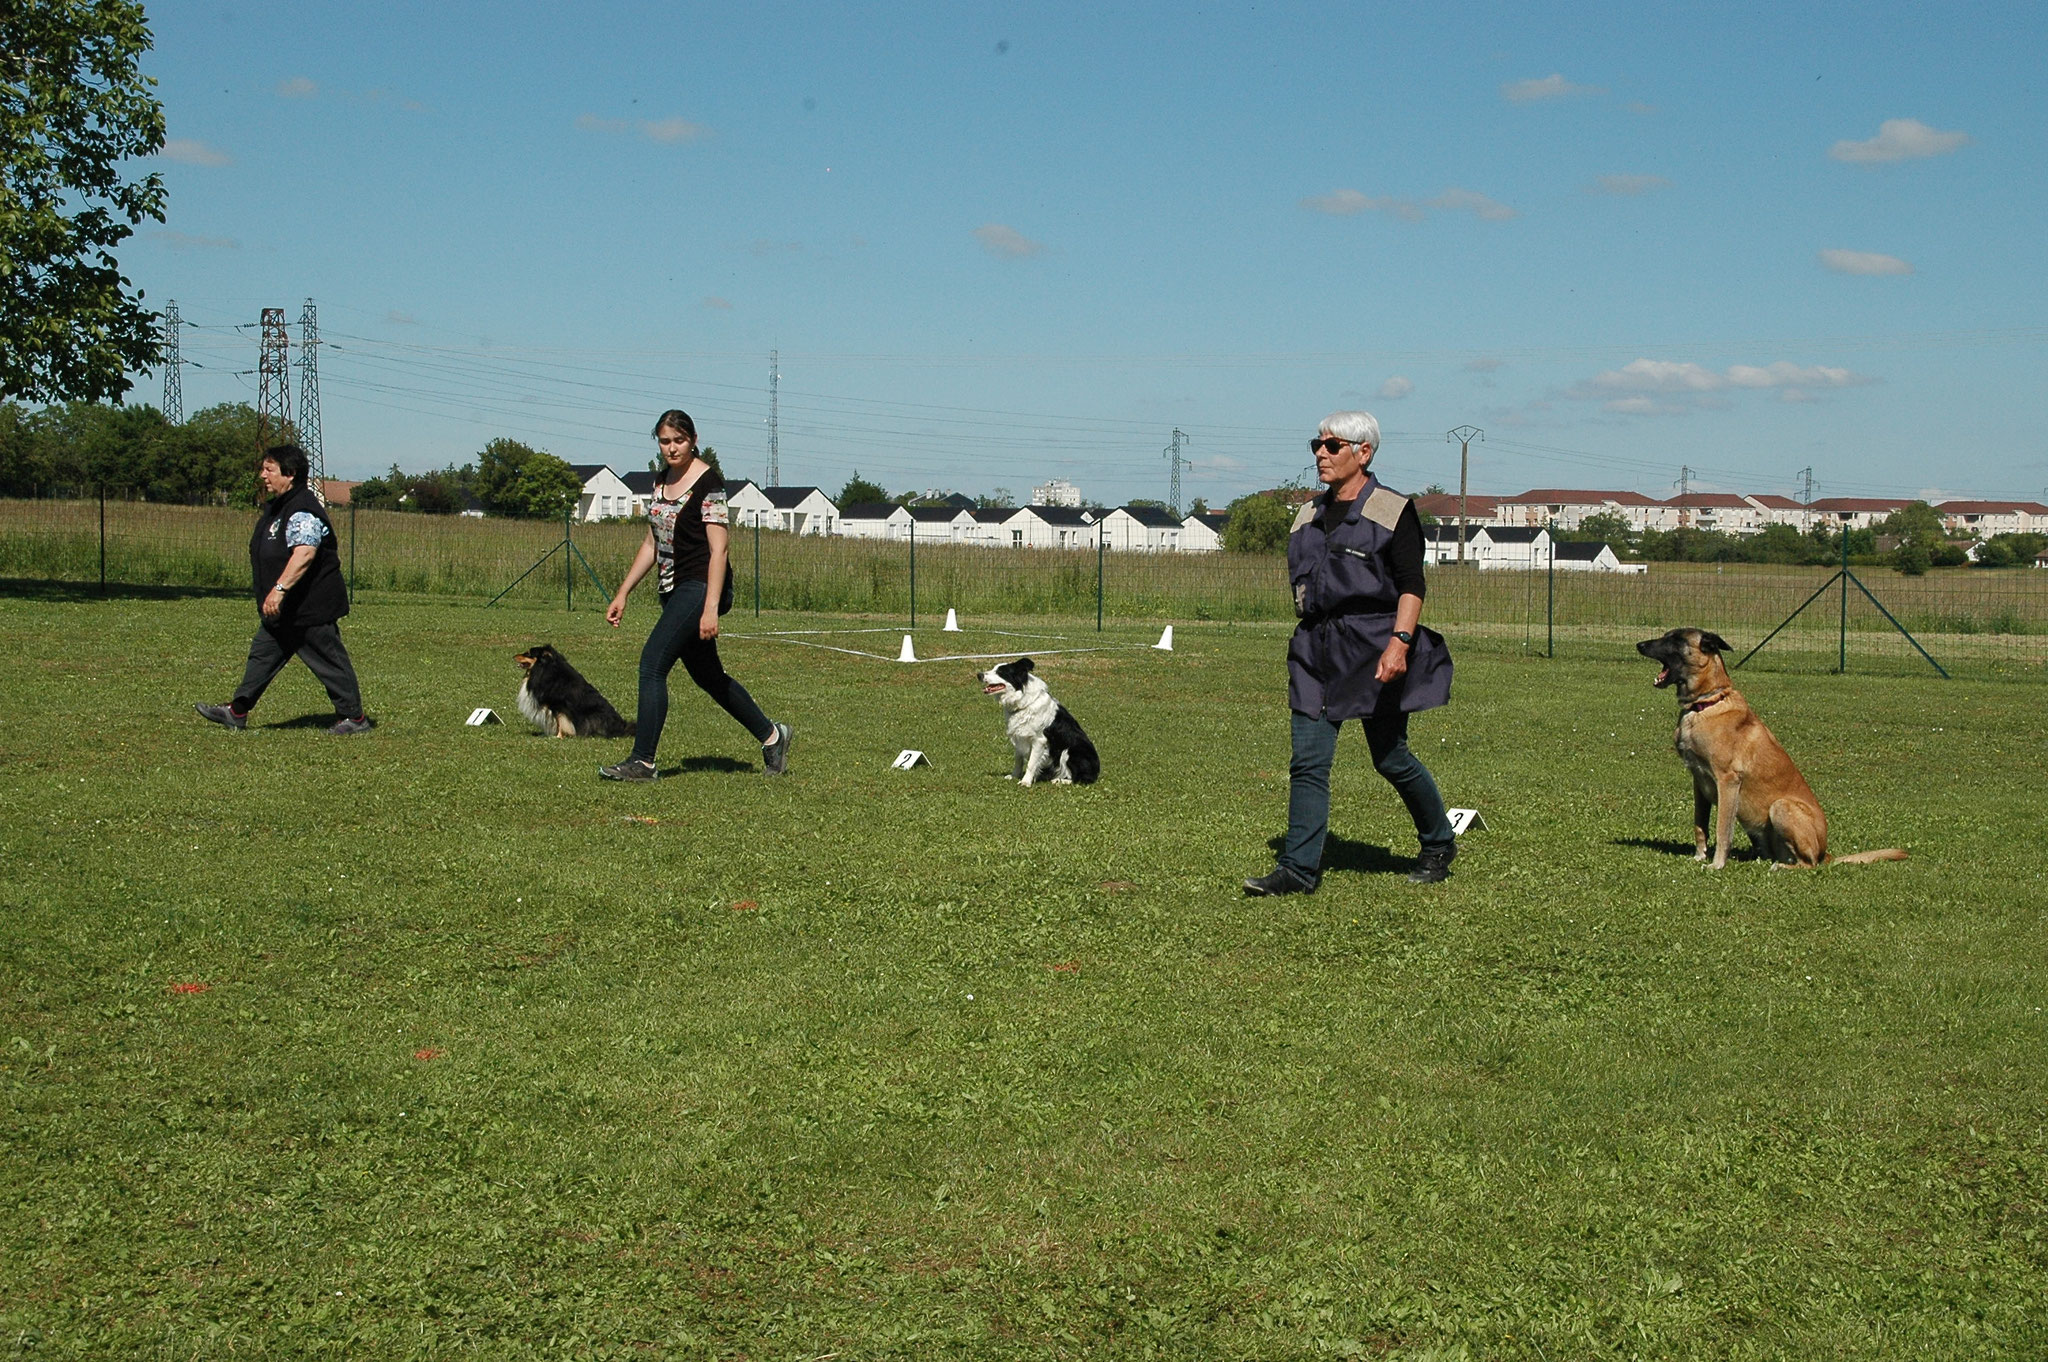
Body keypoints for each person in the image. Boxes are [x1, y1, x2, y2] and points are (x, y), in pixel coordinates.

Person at [1244, 410, 1456, 893]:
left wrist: (1399, 643)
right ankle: (1298, 871)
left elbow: (1411, 584)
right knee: (1309, 761)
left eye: (1333, 445)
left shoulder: (1392, 510)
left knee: (1390, 758)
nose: (1321, 452)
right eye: (1316, 444)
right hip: (1315, 652)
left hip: (1374, 648)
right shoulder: (1307, 515)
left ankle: (1439, 841)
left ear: (1364, 453)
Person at [600, 409, 791, 780]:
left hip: (701, 585)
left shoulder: (708, 483)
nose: (671, 448)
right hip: (672, 587)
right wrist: (623, 592)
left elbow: (719, 550)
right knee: (708, 676)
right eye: (664, 441)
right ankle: (772, 737)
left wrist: (710, 609)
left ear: (693, 439)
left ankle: (643, 761)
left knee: (652, 664)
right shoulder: (660, 481)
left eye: (679, 440)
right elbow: (652, 542)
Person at [195, 445, 372, 736]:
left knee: (328, 661)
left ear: (289, 474)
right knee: (262, 656)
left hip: (309, 606)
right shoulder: (279, 506)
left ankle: (355, 718)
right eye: (263, 468)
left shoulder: (302, 508)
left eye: (269, 469)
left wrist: (279, 589)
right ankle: (237, 711)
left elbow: (304, 553)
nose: (262, 475)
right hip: (284, 610)